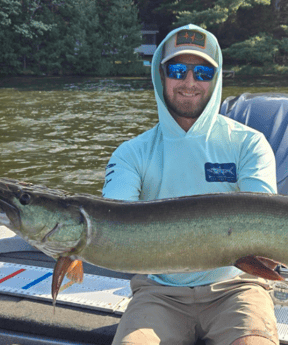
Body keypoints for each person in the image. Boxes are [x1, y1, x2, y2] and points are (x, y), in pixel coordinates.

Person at [103, 24, 279, 345]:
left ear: (217, 77)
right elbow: (113, 227)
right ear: (161, 75)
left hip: (237, 286)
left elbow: (265, 231)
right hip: (159, 291)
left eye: (202, 72)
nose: (189, 82)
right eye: (178, 69)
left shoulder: (249, 144)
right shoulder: (131, 153)